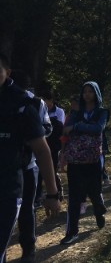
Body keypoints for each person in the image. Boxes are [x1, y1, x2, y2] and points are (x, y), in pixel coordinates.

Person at [0, 53, 61, 262]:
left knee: (27, 209)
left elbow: (43, 149)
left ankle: (28, 248)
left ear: (7, 73)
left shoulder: (25, 104)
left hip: (13, 180)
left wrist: (52, 193)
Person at [10, 70, 52, 262]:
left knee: (27, 208)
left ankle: (28, 248)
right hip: (7, 165)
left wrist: (30, 134)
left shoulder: (35, 102)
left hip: (28, 164)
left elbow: (47, 128)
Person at [60, 81, 109, 245]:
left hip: (93, 160)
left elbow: (98, 129)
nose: (87, 94)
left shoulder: (102, 112)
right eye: (85, 91)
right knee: (74, 196)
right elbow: (66, 130)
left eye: (90, 91)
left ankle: (99, 211)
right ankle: (71, 232)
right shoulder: (76, 112)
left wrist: (77, 127)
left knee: (94, 192)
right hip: (75, 160)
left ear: (96, 93)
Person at [37, 89, 65, 203]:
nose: (43, 102)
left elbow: (60, 126)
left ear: (51, 100)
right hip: (43, 142)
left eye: (45, 100)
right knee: (39, 171)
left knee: (52, 169)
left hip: (54, 144)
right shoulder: (39, 109)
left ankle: (58, 191)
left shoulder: (59, 111)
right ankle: (38, 194)